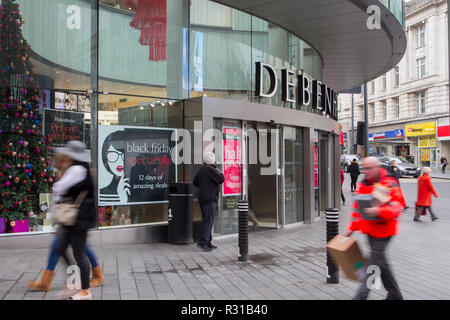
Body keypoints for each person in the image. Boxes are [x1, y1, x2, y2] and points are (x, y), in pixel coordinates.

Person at [27, 149, 104, 292]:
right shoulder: (69, 174)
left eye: (65, 160)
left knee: (77, 251)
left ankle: (90, 281)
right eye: (60, 161)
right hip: (69, 220)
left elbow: (80, 197)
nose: (62, 163)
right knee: (63, 248)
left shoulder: (77, 173)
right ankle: (81, 280)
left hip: (76, 221)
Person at [346, 157, 404, 300]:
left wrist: (379, 211)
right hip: (369, 230)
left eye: (368, 168)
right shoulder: (363, 185)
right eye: (363, 168)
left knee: (372, 266)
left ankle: (360, 297)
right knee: (382, 263)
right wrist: (351, 229)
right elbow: (356, 210)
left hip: (384, 232)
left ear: (377, 167)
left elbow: (397, 206)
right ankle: (395, 295)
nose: (365, 172)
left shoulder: (388, 183)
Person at [53, 141, 97, 300]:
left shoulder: (78, 169)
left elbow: (59, 188)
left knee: (79, 254)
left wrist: (58, 185)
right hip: (73, 218)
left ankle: (85, 291)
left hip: (79, 218)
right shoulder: (79, 168)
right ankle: (74, 283)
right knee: (60, 248)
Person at [193, 152, 225, 252]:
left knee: (208, 219)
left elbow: (195, 182)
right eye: (214, 159)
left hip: (203, 198)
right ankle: (202, 243)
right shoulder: (211, 169)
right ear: (212, 160)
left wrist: (204, 187)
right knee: (209, 220)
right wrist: (218, 169)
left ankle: (208, 242)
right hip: (209, 199)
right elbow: (221, 179)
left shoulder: (202, 169)